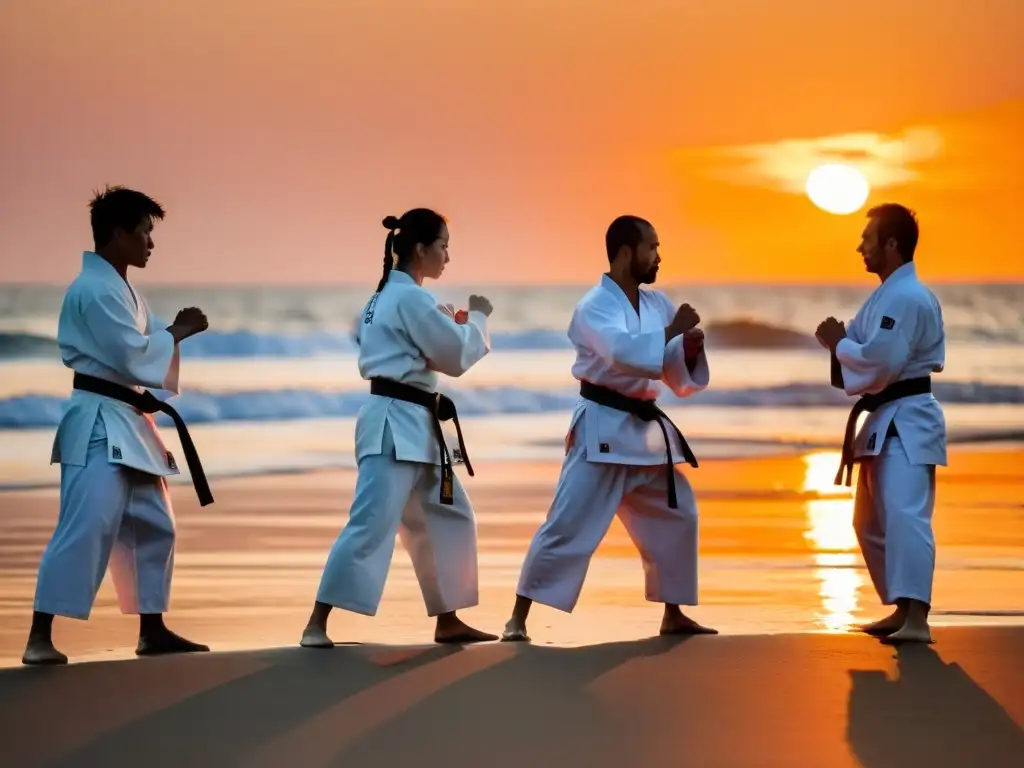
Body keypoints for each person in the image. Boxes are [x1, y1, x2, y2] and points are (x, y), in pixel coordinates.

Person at [502, 215, 717, 642]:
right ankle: (517, 620)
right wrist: (672, 332)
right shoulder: (593, 307)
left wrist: (688, 348)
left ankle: (673, 613)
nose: (659, 256)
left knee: (677, 514)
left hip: (644, 432)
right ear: (625, 253)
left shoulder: (658, 304)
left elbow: (671, 372)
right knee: (568, 525)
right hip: (600, 430)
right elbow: (621, 353)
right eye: (652, 247)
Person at [22, 186, 213, 665]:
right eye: (146, 232)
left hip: (129, 419)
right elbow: (132, 354)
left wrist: (166, 341)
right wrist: (180, 330)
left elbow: (136, 360)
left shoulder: (122, 289)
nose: (151, 242)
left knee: (153, 524)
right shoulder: (94, 289)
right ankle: (39, 637)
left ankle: (153, 629)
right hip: (97, 423)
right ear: (119, 232)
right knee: (86, 525)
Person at [300, 208, 498, 648]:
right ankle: (316, 622)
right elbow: (455, 359)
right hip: (394, 424)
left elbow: (424, 350)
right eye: (443, 246)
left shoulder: (387, 297)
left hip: (410, 422)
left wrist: (450, 328)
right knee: (371, 522)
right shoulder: (409, 298)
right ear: (421, 249)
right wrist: (479, 319)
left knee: (449, 515)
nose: (448, 255)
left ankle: (448, 619)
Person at [815, 203, 946, 645]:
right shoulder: (886, 296)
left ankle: (918, 618)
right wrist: (840, 346)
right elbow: (859, 352)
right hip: (883, 419)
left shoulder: (907, 297)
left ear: (891, 244)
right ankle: (900, 607)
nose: (860, 247)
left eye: (867, 238)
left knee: (906, 516)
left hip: (909, 418)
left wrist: (838, 343)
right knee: (869, 524)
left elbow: (882, 361)